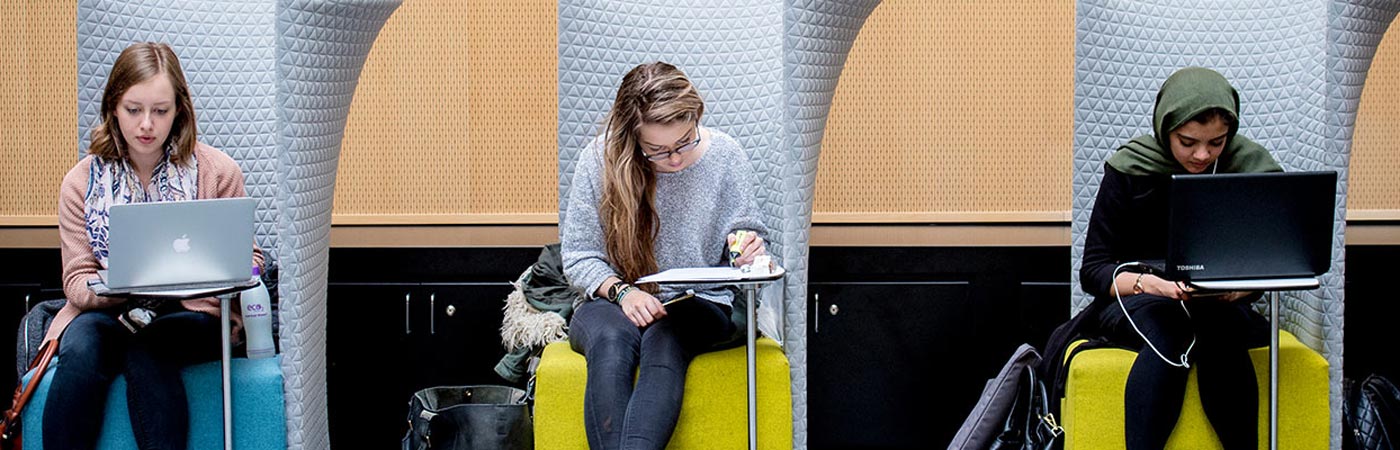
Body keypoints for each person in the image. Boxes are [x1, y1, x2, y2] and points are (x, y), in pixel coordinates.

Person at [45, 42, 263, 450]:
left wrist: (206, 275)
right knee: (80, 351)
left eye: (160, 111)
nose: (147, 124)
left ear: (179, 109)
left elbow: (249, 259)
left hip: (190, 314)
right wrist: (117, 286)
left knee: (149, 351)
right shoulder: (80, 182)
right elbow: (76, 281)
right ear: (113, 106)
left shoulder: (218, 172)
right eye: (133, 110)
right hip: (111, 312)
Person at [561, 61, 769, 450]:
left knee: (665, 338)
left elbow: (747, 236)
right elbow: (578, 256)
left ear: (696, 118)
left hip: (700, 303)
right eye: (657, 150)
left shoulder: (725, 156)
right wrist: (625, 294)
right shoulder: (599, 160)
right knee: (610, 341)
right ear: (632, 139)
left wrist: (749, 249)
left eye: (684, 142)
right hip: (613, 299)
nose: (674, 160)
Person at [1079, 66, 1282, 450]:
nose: (1202, 155)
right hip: (1137, 297)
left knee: (1222, 333)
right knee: (1170, 334)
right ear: (1165, 128)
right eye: (1187, 142)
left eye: (1217, 143)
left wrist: (1239, 291)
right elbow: (1093, 271)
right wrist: (1152, 284)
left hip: (1216, 305)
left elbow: (1269, 260)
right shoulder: (1129, 168)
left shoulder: (1249, 167)